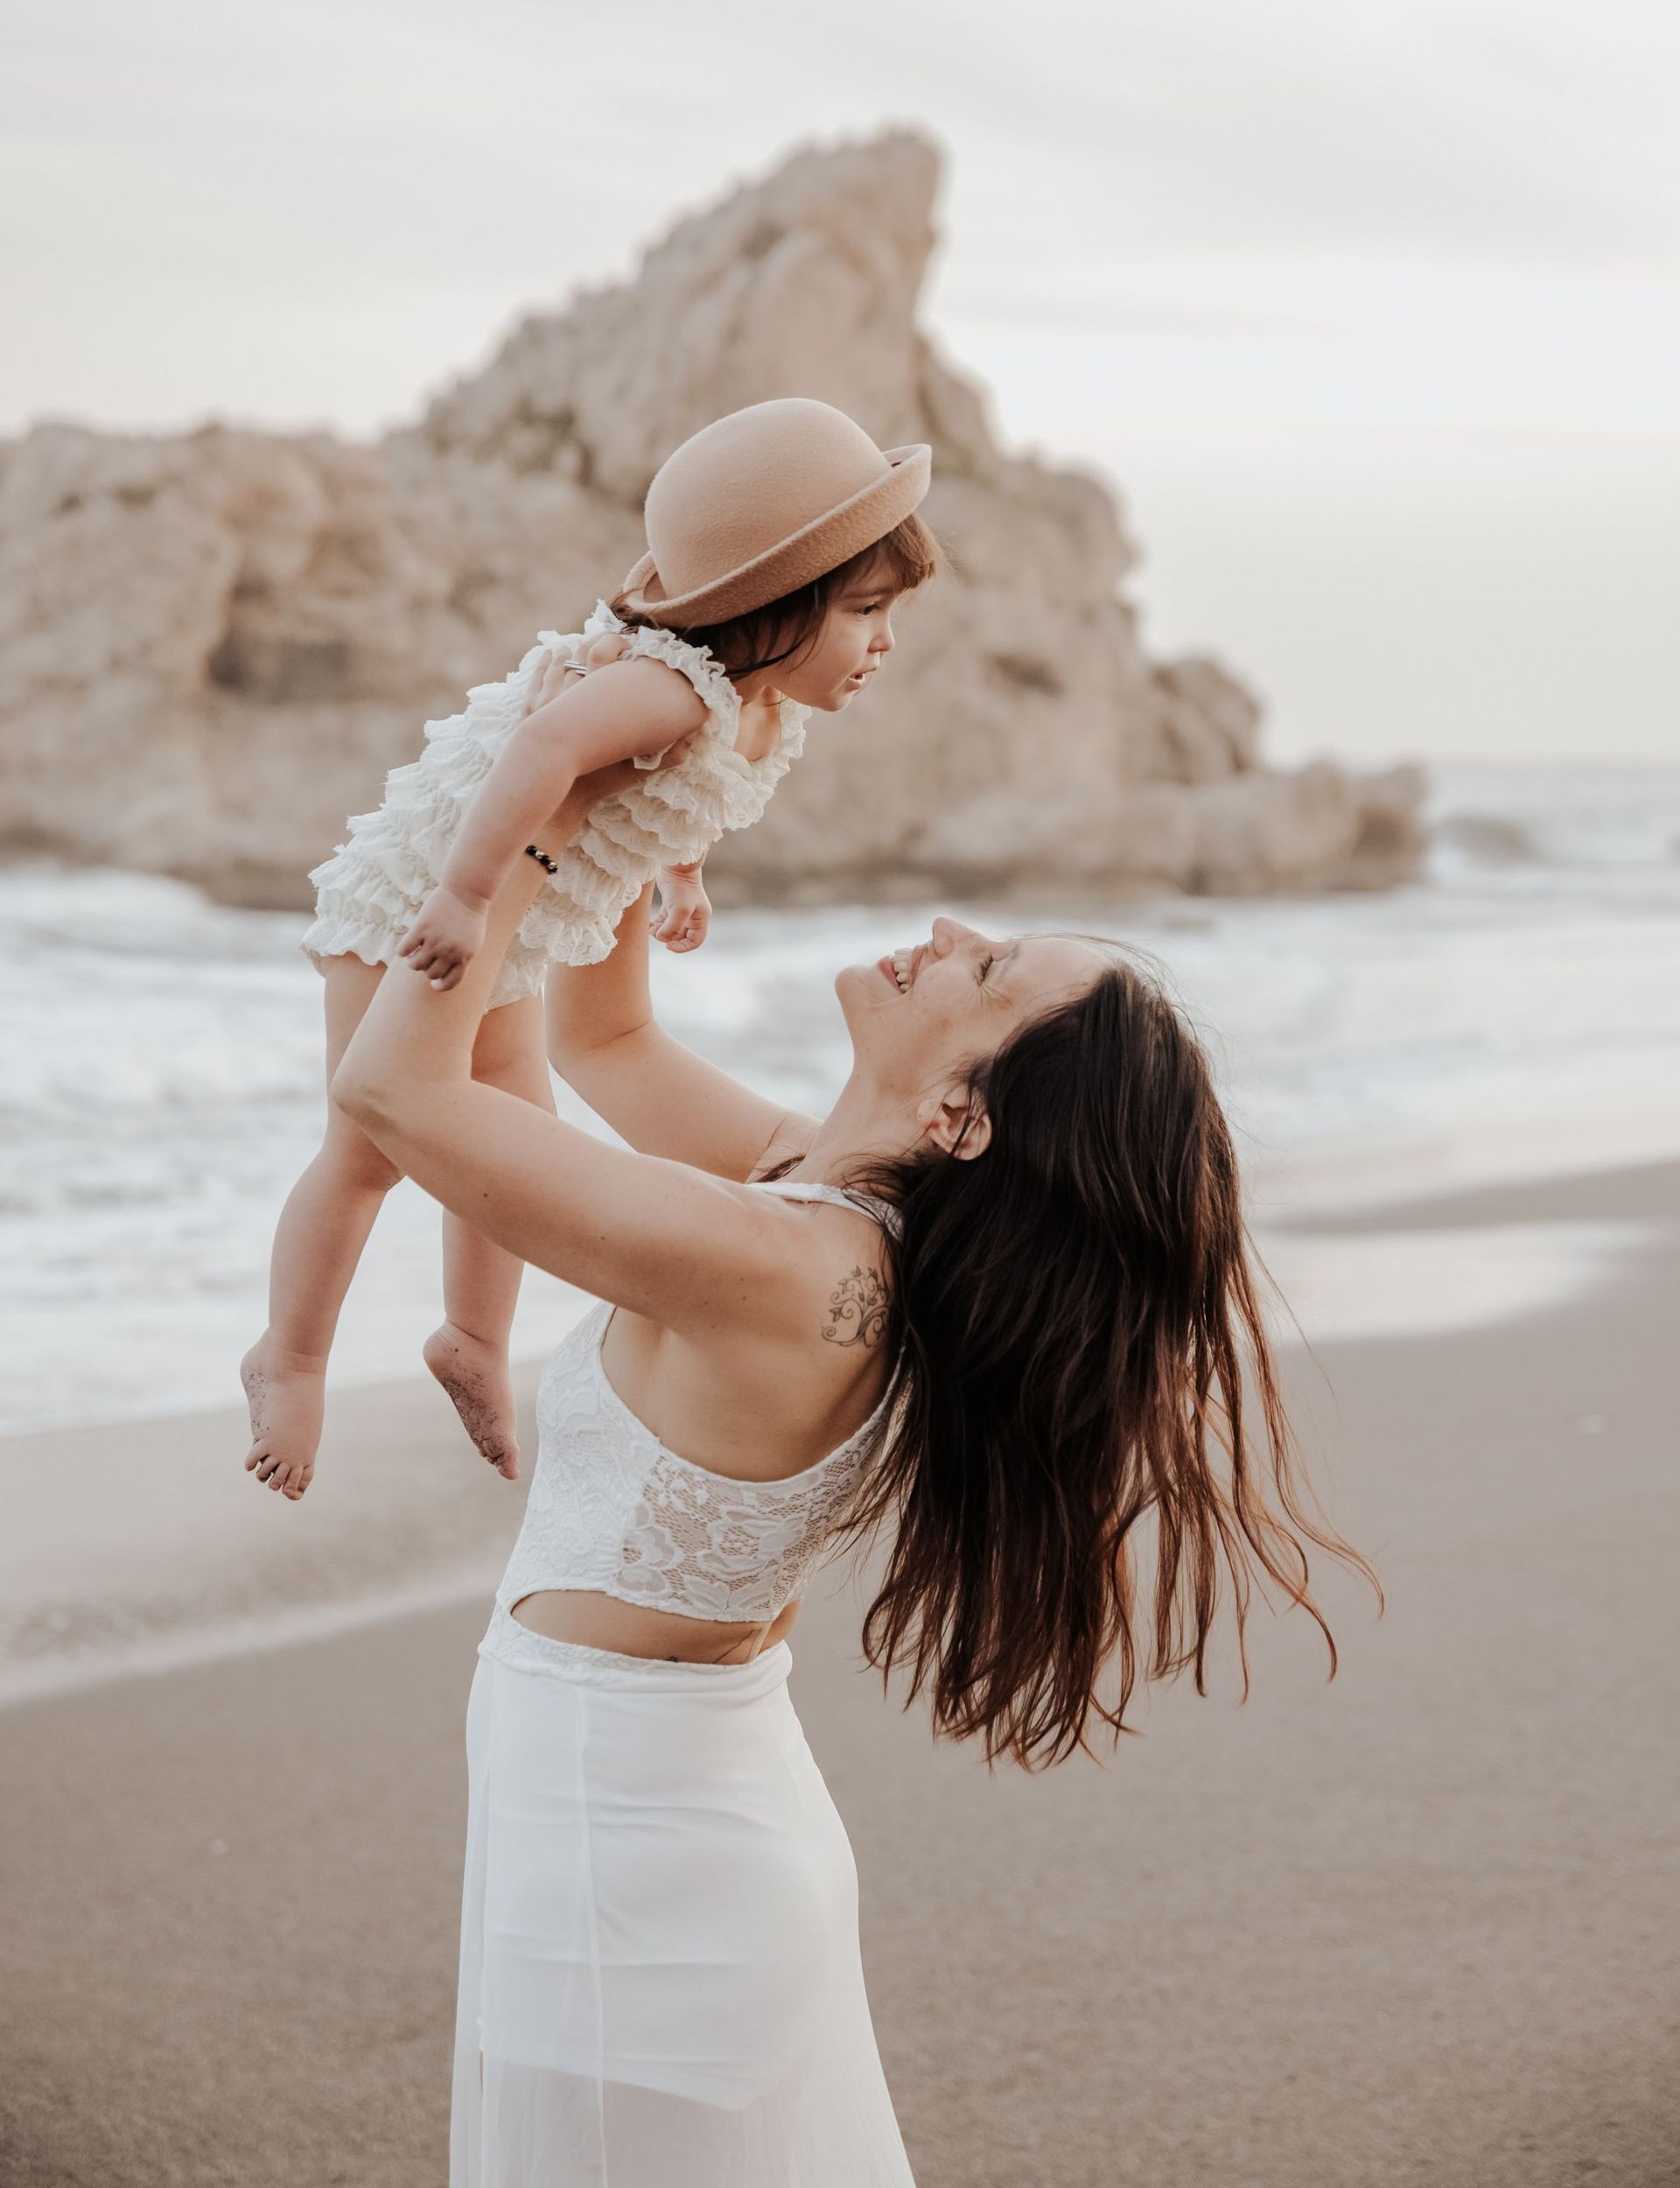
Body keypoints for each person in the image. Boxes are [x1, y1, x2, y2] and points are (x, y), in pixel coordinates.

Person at [331, 798, 1372, 2184]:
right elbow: (606, 1041)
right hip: (667, 1807)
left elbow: (394, 1095)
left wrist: (504, 852)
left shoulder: (782, 1265)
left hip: (631, 1840)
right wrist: (636, 820)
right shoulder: (827, 1214)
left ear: (960, 1113)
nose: (947, 935)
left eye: (987, 971)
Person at [242, 396, 935, 1497]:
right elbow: (547, 748)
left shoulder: (766, 712)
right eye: (865, 611)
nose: (886, 642)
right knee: (369, 1146)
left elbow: (672, 805)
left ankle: (471, 1339)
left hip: (528, 911)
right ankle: (292, 1355)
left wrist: (681, 872)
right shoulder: (664, 691)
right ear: (774, 607)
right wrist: (467, 897)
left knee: (510, 1130)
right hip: (423, 898)